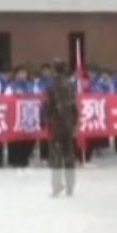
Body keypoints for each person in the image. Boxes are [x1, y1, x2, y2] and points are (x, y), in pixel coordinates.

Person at [43, 69, 79, 198]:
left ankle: (57, 186)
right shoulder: (70, 86)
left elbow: (48, 106)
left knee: (56, 156)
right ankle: (70, 186)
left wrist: (46, 119)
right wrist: (75, 123)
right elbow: (74, 107)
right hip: (68, 124)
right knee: (69, 156)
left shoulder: (52, 86)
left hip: (57, 124)